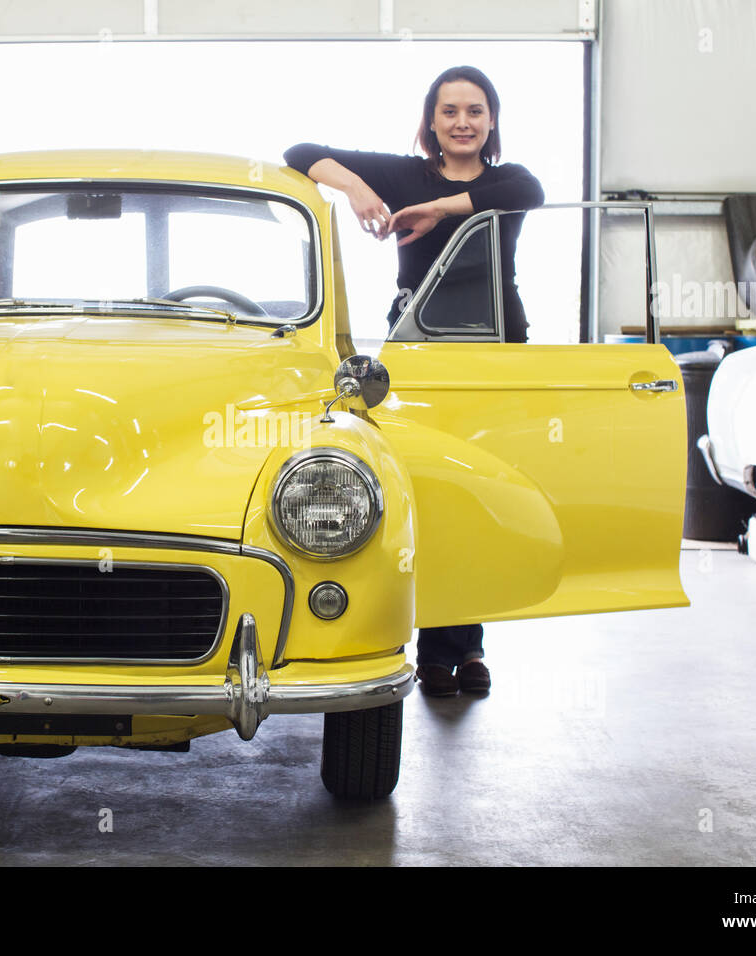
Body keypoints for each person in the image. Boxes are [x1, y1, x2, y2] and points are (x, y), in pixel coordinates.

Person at [284, 65, 544, 697]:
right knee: (430, 500)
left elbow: (528, 190)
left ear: (491, 121)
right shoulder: (403, 172)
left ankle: (472, 646)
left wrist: (435, 208)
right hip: (423, 357)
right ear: (432, 121)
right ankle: (432, 644)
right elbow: (299, 155)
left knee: (483, 500)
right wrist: (357, 192)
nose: (462, 122)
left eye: (475, 111)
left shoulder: (504, 180)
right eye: (450, 111)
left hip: (494, 356)